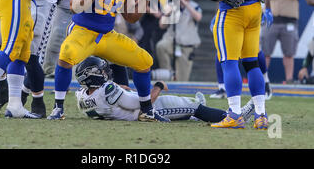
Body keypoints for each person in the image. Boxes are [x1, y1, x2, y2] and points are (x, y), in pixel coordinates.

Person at [49, 0, 170, 122]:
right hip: (83, 31)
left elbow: (130, 17)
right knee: (66, 56)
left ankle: (147, 110)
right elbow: (74, 5)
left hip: (106, 35)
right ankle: (58, 108)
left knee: (144, 61)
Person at [205, 0, 292, 129]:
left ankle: (234, 114)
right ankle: (261, 115)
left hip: (233, 13)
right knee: (252, 63)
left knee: (230, 62)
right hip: (255, 10)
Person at [74, 56, 255, 122]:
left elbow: (108, 104)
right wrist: (159, 86)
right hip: (149, 111)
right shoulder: (106, 90)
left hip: (130, 111)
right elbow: (142, 103)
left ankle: (199, 113)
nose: (106, 72)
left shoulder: (83, 96)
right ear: (93, 75)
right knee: (192, 106)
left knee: (190, 109)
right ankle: (234, 116)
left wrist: (120, 90)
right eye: (101, 71)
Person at [261, 0, 302, 84]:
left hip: (289, 21)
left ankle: (289, 79)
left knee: (289, 54)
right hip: (273, 20)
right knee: (266, 52)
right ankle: (263, 79)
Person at [156, 0, 202, 81]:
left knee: (182, 79)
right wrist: (168, 13)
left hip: (187, 45)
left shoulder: (195, 6)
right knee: (161, 46)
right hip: (171, 40)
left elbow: (198, 17)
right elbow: (162, 25)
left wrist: (184, 3)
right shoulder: (171, 5)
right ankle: (168, 73)